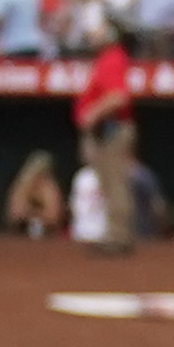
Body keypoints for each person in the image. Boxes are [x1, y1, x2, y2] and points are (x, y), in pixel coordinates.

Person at [76, 32, 140, 258]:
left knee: (115, 183)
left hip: (112, 128)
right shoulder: (106, 58)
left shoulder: (113, 57)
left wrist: (93, 113)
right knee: (109, 183)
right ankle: (113, 234)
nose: (93, 35)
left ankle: (119, 236)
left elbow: (118, 96)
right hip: (105, 130)